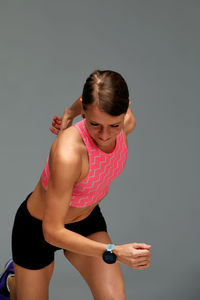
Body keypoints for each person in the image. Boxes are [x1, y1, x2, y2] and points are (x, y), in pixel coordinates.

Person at [0, 70, 151, 300]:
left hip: (86, 221)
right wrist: (114, 251)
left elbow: (98, 111)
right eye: (94, 124)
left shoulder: (127, 122)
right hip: (39, 229)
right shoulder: (68, 152)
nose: (104, 135)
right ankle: (12, 282)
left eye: (114, 125)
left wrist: (69, 112)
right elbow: (52, 231)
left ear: (125, 111)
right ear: (85, 111)